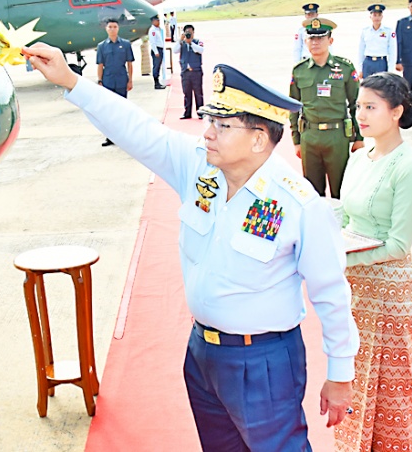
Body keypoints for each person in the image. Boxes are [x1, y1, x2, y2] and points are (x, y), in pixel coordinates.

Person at [22, 42, 360, 451]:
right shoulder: (201, 167)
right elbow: (135, 129)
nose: (207, 133)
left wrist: (340, 374)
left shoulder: (298, 204)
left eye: (222, 124)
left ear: (258, 139)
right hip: (203, 354)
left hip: (264, 361)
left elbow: (331, 293)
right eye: (209, 120)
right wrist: (71, 81)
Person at [333, 72, 412, 452]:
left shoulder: (410, 167)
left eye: (370, 107)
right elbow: (343, 215)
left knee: (391, 389)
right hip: (353, 288)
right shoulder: (357, 158)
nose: (361, 114)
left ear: (396, 112)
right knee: (351, 379)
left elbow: (397, 245)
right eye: (358, 106)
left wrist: (343, 258)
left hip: (389, 292)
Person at [290, 18, 364, 199]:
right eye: (311, 38)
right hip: (310, 137)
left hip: (337, 137)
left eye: (320, 38)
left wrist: (359, 137)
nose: (315, 42)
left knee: (341, 191)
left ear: (330, 41)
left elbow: (356, 104)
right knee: (312, 194)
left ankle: (342, 227)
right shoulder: (299, 71)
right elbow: (293, 106)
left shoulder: (345, 68)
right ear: (305, 41)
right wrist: (296, 139)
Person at [96, 18, 135, 147]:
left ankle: (124, 136)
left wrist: (130, 80)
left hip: (121, 80)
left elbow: (129, 63)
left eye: (114, 27)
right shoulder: (102, 46)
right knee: (109, 111)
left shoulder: (125, 44)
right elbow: (100, 65)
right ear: (106, 29)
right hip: (108, 80)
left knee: (123, 109)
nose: (112, 29)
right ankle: (110, 137)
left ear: (118, 28)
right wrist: (100, 80)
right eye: (110, 27)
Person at [358, 4, 397, 78]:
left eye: (379, 15)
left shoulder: (388, 31)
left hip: (381, 62)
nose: (377, 18)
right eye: (374, 15)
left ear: (382, 17)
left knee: (381, 87)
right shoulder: (365, 31)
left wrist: (390, 70)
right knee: (367, 87)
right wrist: (360, 69)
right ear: (370, 17)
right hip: (368, 62)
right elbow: (361, 50)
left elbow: (392, 51)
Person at [176, 24, 204, 119]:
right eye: (187, 32)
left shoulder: (197, 42)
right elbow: (175, 50)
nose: (189, 34)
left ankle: (200, 112)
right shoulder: (181, 43)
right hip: (185, 72)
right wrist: (181, 40)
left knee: (198, 93)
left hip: (196, 71)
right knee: (186, 93)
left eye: (190, 32)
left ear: (193, 33)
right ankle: (187, 112)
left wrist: (191, 43)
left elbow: (201, 50)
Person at [148, 15, 166, 90]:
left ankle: (158, 82)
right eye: (157, 20)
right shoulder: (152, 30)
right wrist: (156, 51)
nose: (158, 22)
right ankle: (156, 83)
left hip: (160, 49)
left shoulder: (157, 29)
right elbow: (152, 42)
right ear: (153, 21)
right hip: (157, 50)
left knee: (158, 66)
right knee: (156, 66)